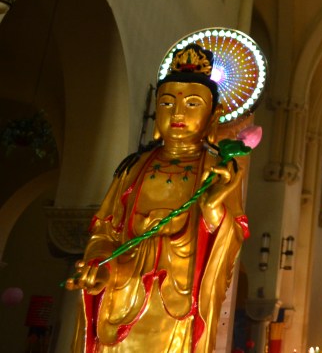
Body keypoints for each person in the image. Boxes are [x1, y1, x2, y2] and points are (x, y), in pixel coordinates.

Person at [65, 43, 249, 352]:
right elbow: (104, 231)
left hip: (180, 304)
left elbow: (232, 236)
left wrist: (212, 207)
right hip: (122, 296)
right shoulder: (133, 168)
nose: (177, 113)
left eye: (192, 103)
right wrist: (100, 266)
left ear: (213, 115)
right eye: (166, 103)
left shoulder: (217, 171)